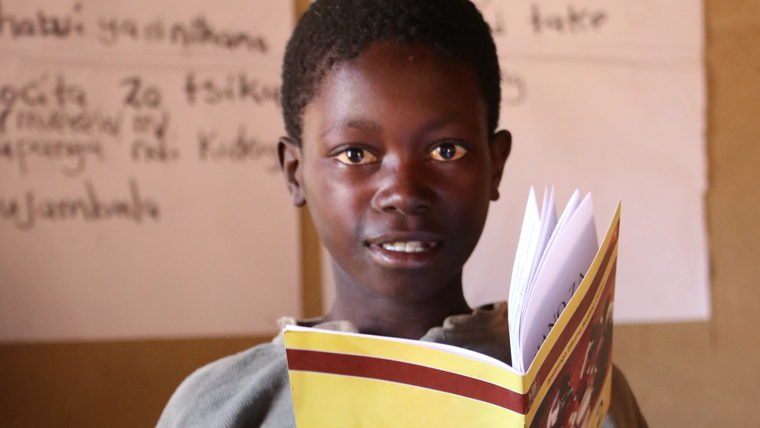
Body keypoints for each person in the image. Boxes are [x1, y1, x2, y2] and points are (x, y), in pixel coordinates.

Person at [156, 0, 648, 427]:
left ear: (495, 165)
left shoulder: (573, 387)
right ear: (294, 172)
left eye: (446, 151)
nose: (404, 192)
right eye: (355, 155)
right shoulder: (223, 408)